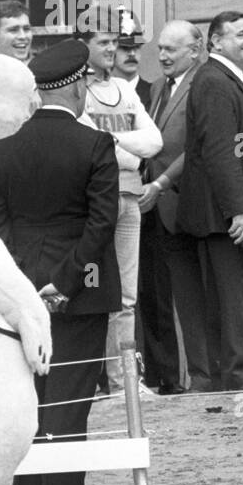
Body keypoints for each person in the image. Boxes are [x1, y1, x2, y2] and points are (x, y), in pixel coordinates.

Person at [0, 39, 121, 485]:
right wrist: (60, 285)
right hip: (79, 291)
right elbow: (101, 223)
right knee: (69, 397)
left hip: (17, 289)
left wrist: (24, 285)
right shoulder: (95, 146)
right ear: (79, 85)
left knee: (29, 396)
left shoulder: (0, 147)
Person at [178, 12, 243, 391]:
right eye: (240, 34)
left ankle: (240, 374)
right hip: (234, 214)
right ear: (215, 43)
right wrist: (239, 209)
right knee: (242, 294)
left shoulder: (227, 80)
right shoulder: (215, 82)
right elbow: (221, 151)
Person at [79, 26, 162, 394]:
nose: (112, 49)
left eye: (115, 42)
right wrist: (128, 147)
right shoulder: (78, 90)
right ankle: (87, 382)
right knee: (90, 291)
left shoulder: (126, 90)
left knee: (126, 296)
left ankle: (124, 384)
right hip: (93, 197)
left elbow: (154, 142)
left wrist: (112, 140)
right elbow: (86, 145)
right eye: (103, 42)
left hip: (129, 196)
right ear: (85, 46)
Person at [140, 20, 207, 392]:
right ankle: (192, 376)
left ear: (194, 51)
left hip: (191, 204)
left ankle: (210, 375)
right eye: (160, 48)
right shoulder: (158, 87)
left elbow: (196, 145)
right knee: (178, 300)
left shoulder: (205, 82)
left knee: (205, 297)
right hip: (160, 208)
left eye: (171, 49)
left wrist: (162, 182)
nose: (162, 55)